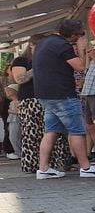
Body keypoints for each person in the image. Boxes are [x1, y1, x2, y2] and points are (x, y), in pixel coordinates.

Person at [32, 19, 95, 179]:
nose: (81, 37)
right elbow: (80, 67)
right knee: (77, 130)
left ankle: (43, 169)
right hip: (63, 94)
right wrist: (82, 50)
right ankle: (86, 167)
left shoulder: (44, 42)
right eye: (81, 34)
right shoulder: (63, 45)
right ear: (73, 35)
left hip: (45, 94)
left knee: (51, 130)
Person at [9, 39, 72, 174]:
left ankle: (57, 163)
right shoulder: (22, 60)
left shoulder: (50, 59)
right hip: (30, 100)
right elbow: (20, 79)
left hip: (49, 97)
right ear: (31, 45)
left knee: (54, 131)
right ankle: (34, 164)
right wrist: (38, 66)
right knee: (32, 133)